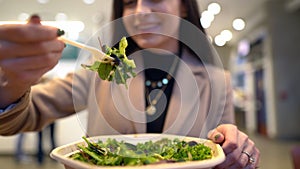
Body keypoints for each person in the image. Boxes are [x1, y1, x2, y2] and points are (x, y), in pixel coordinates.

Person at [0, 0, 260, 168]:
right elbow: (23, 116)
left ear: (183, 7)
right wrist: (15, 82)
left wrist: (236, 152)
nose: (139, 13)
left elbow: (222, 151)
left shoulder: (217, 81)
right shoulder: (100, 71)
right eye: (128, 3)